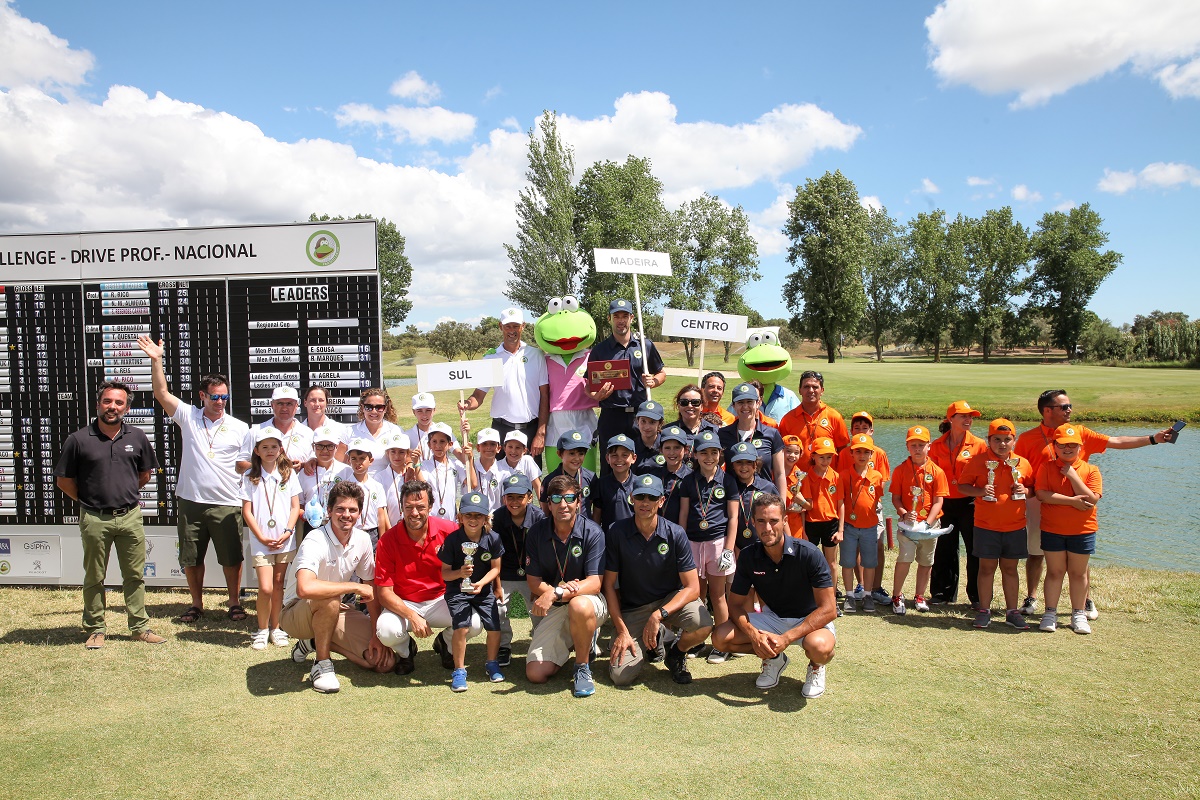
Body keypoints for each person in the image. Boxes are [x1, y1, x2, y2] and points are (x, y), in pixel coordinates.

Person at [1014, 389, 1173, 620]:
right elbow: (1018, 471)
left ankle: (1084, 600)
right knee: (1036, 552)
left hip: (1080, 500)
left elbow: (1116, 441)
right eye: (1064, 406)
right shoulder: (1028, 438)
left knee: (1079, 554)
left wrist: (1152, 439)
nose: (1069, 410)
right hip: (1042, 501)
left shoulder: (1079, 433)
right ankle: (1031, 597)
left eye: (1070, 406)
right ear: (1047, 411)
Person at [136, 335, 250, 623]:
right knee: (191, 557)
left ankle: (234, 602)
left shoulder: (240, 427)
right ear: (202, 396)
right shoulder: (188, 416)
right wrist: (156, 360)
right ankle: (196, 604)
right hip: (191, 501)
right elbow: (161, 393)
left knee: (232, 558)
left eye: (225, 397)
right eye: (215, 397)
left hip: (227, 502)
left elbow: (247, 463)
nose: (221, 402)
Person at [54, 380, 165, 649]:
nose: (112, 407)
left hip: (130, 517)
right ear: (98, 404)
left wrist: (121, 495)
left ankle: (139, 627)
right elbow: (64, 480)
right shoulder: (78, 439)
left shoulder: (137, 436)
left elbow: (144, 474)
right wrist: (90, 501)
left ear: (126, 407)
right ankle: (95, 629)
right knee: (94, 576)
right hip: (94, 518)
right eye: (107, 401)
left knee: (135, 576)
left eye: (118, 402)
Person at [711, 493, 836, 699]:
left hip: (810, 620)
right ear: (753, 522)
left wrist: (786, 638)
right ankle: (774, 658)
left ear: (785, 521)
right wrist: (755, 635)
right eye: (761, 521)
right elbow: (735, 605)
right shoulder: (749, 556)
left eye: (773, 521)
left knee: (819, 648)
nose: (767, 528)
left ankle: (816, 667)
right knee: (720, 638)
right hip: (773, 619)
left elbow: (829, 609)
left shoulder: (809, 553)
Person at [280, 482, 395, 693]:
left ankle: (313, 642)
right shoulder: (315, 539)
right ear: (329, 511)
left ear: (360, 514)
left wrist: (376, 635)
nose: (346, 515)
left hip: (333, 610)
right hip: (295, 613)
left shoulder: (361, 539)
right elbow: (304, 589)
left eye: (352, 510)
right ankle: (322, 664)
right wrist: (353, 586)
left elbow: (370, 589)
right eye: (340, 509)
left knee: (381, 662)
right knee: (330, 597)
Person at [604, 475, 713, 687]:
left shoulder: (675, 533)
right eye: (640, 496)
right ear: (631, 498)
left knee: (703, 624)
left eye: (651, 497)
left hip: (667, 604)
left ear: (661, 501)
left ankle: (676, 653)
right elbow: (608, 585)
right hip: (633, 608)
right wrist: (622, 631)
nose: (645, 502)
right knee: (620, 676)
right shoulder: (616, 531)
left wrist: (658, 614)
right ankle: (658, 637)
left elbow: (692, 587)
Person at [375, 480, 483, 674]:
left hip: (442, 599)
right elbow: (384, 593)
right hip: (405, 603)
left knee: (474, 623)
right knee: (386, 630)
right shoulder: (387, 540)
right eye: (408, 507)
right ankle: (406, 651)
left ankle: (446, 644)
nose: (414, 513)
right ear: (401, 507)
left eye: (420, 507)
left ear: (431, 506)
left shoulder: (449, 530)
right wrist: (412, 616)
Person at [524, 474, 608, 696]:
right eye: (557, 499)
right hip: (559, 605)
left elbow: (595, 583)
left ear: (579, 502)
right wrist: (557, 594)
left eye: (570, 498)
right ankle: (580, 638)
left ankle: (582, 666)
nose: (564, 504)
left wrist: (556, 593)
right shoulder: (536, 533)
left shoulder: (593, 532)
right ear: (548, 503)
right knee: (536, 673)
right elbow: (533, 582)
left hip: (588, 602)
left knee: (579, 606)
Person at [957, 419, 1033, 629]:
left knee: (1010, 569)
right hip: (985, 525)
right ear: (988, 440)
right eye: (996, 440)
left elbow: (1033, 489)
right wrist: (981, 491)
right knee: (986, 568)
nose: (1002, 444)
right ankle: (984, 610)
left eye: (1007, 440)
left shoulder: (1022, 463)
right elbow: (963, 486)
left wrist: (1024, 491)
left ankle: (1012, 611)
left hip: (1015, 525)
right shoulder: (977, 461)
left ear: (1014, 441)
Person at [677, 429, 739, 663]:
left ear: (720, 454)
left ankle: (722, 644)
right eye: (704, 453)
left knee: (718, 595)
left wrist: (728, 549)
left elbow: (733, 518)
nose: (709, 457)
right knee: (697, 594)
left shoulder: (728, 481)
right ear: (695, 455)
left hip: (717, 544)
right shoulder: (688, 481)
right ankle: (697, 640)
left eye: (714, 452)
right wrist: (682, 545)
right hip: (692, 543)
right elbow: (683, 515)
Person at [457, 307, 550, 463]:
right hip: (501, 430)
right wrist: (467, 404)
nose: (511, 330)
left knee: (531, 481)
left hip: (530, 429)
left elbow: (545, 396)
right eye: (507, 326)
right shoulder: (491, 358)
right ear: (500, 327)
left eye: (515, 326)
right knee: (500, 480)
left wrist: (541, 433)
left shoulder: (536, 355)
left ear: (523, 326)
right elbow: (478, 395)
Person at [1035, 424, 1103, 634]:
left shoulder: (1091, 470)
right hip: (1053, 528)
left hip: (1082, 530)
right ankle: (1050, 613)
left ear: (1081, 448)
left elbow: (1092, 499)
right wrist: (1072, 501)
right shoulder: (1046, 467)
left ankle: (1078, 614)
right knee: (1055, 572)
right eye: (1063, 444)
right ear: (1055, 446)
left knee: (1078, 573)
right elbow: (1042, 494)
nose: (1068, 449)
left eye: (1073, 445)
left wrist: (1073, 475)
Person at [588, 298, 667, 475]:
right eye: (617, 316)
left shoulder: (644, 345)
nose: (621, 320)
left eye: (625, 316)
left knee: (641, 462)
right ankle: (610, 502)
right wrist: (596, 395)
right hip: (611, 415)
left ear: (632, 318)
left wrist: (654, 381)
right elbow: (589, 386)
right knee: (610, 462)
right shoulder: (600, 350)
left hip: (640, 416)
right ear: (610, 319)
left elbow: (662, 373)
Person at [240, 426, 301, 650]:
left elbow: (295, 507)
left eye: (274, 446)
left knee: (278, 586)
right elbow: (247, 511)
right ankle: (262, 629)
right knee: (265, 588)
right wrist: (262, 537)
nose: (269, 451)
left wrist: (287, 532)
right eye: (264, 447)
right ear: (256, 451)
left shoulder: (288, 474)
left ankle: (276, 628)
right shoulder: (250, 477)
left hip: (285, 539)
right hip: (261, 542)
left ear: (280, 449)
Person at [439, 492, 505, 689]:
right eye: (468, 515)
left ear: (486, 518)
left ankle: (492, 663)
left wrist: (483, 584)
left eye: (478, 516)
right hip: (458, 591)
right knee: (462, 627)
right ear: (460, 518)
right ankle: (459, 670)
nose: (473, 520)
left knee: (494, 626)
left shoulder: (493, 538)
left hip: (483, 591)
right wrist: (460, 573)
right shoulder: (452, 540)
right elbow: (445, 574)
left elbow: (496, 568)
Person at [928, 401, 988, 607]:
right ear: (950, 419)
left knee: (974, 549)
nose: (968, 419)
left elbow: (985, 474)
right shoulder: (936, 446)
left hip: (970, 502)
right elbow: (932, 477)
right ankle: (942, 593)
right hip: (944, 503)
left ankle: (978, 596)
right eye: (963, 416)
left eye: (970, 416)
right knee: (944, 548)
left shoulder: (979, 445)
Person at [889, 426, 949, 615]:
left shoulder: (937, 471)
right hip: (908, 526)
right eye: (913, 445)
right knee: (904, 560)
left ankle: (919, 595)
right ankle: (897, 596)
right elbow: (896, 498)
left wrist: (928, 522)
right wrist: (904, 513)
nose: (917, 449)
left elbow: (939, 501)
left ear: (929, 446)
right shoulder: (900, 470)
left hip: (929, 526)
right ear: (907, 446)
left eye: (921, 445)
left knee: (926, 563)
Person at [837, 411, 891, 606]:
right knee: (852, 549)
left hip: (872, 507)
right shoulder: (845, 452)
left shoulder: (879, 453)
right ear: (851, 431)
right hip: (849, 507)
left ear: (872, 430)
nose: (861, 430)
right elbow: (841, 478)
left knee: (875, 546)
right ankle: (858, 587)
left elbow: (881, 483)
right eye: (857, 428)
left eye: (865, 427)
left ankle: (874, 588)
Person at [492, 473, 546, 667]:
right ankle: (504, 645)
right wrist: (496, 585)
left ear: (530, 497)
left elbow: (542, 553)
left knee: (539, 610)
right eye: (510, 497)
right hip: (504, 573)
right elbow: (494, 555)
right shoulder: (497, 518)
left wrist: (537, 583)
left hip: (531, 574)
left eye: (520, 497)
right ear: (504, 497)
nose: (514, 502)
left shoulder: (539, 517)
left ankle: (540, 643)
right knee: (497, 608)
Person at [717, 382, 786, 497]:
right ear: (734, 406)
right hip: (732, 500)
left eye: (749, 402)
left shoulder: (771, 434)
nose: (745, 407)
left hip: (764, 500)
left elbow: (779, 474)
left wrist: (782, 505)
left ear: (758, 403)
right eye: (740, 402)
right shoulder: (722, 435)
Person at [801, 437, 844, 605]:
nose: (825, 461)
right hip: (812, 523)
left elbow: (841, 504)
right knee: (808, 562)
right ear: (813, 456)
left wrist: (840, 530)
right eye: (821, 457)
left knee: (831, 562)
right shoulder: (806, 477)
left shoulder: (836, 476)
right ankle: (809, 597)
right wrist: (803, 531)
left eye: (829, 457)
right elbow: (805, 508)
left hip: (830, 524)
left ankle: (831, 598)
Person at [237, 386, 314, 474]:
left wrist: (303, 465)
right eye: (280, 403)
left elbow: (317, 463)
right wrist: (267, 468)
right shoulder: (255, 432)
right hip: (265, 487)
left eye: (289, 404)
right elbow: (240, 465)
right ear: (272, 405)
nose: (284, 408)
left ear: (296, 405)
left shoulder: (308, 433)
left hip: (299, 487)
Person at [777, 370, 850, 454]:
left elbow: (843, 451)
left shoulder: (834, 417)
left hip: (828, 467)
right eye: (806, 387)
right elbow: (781, 452)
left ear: (822, 390)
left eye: (815, 387)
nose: (811, 390)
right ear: (800, 390)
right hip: (797, 467)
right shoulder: (788, 419)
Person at [540, 430, 596, 517]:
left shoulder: (591, 477)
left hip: (583, 528)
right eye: (572, 454)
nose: (577, 458)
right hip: (558, 528)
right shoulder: (550, 480)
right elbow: (545, 511)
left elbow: (591, 504)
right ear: (559, 454)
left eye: (581, 454)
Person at [419, 422, 469, 520]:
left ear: (450, 444)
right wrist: (416, 464)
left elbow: (472, 483)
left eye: (442, 441)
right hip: (431, 518)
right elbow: (422, 485)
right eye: (434, 441)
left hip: (451, 519)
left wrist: (470, 458)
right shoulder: (425, 465)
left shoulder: (456, 464)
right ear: (429, 444)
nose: (438, 445)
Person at [346, 438, 389, 548]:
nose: (358, 462)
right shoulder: (345, 486)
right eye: (354, 459)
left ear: (371, 461)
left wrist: (382, 542)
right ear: (348, 460)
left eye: (362, 458)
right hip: (351, 531)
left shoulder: (377, 486)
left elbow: (381, 515)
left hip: (372, 533)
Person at [349, 388, 403, 470]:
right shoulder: (349, 432)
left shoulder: (396, 431)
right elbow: (341, 463)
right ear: (363, 408)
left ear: (385, 409)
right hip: (358, 482)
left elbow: (405, 459)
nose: (374, 411)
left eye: (379, 407)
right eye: (369, 407)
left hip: (387, 481)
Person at [593, 434, 637, 532]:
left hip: (633, 541)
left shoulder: (638, 484)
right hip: (608, 540)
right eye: (614, 455)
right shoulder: (601, 484)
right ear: (607, 459)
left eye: (624, 455)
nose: (619, 459)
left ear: (633, 458)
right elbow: (596, 515)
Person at [301, 385, 349, 463]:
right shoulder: (296, 430)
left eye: (321, 400)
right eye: (313, 400)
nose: (317, 404)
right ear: (305, 403)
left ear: (327, 402)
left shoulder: (340, 430)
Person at [668, 383, 717, 457]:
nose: (690, 406)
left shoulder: (714, 430)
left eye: (695, 402)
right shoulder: (667, 431)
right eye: (684, 402)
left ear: (702, 406)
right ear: (678, 405)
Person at [496, 430, 541, 498]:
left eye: (518, 448)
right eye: (510, 447)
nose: (513, 451)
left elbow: (538, 487)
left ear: (524, 450)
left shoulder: (528, 461)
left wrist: (543, 508)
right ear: (504, 448)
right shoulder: (497, 466)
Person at [632, 400, 665, 473]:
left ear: (660, 424)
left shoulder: (666, 445)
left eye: (652, 422)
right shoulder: (631, 446)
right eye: (643, 421)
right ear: (637, 421)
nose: (647, 427)